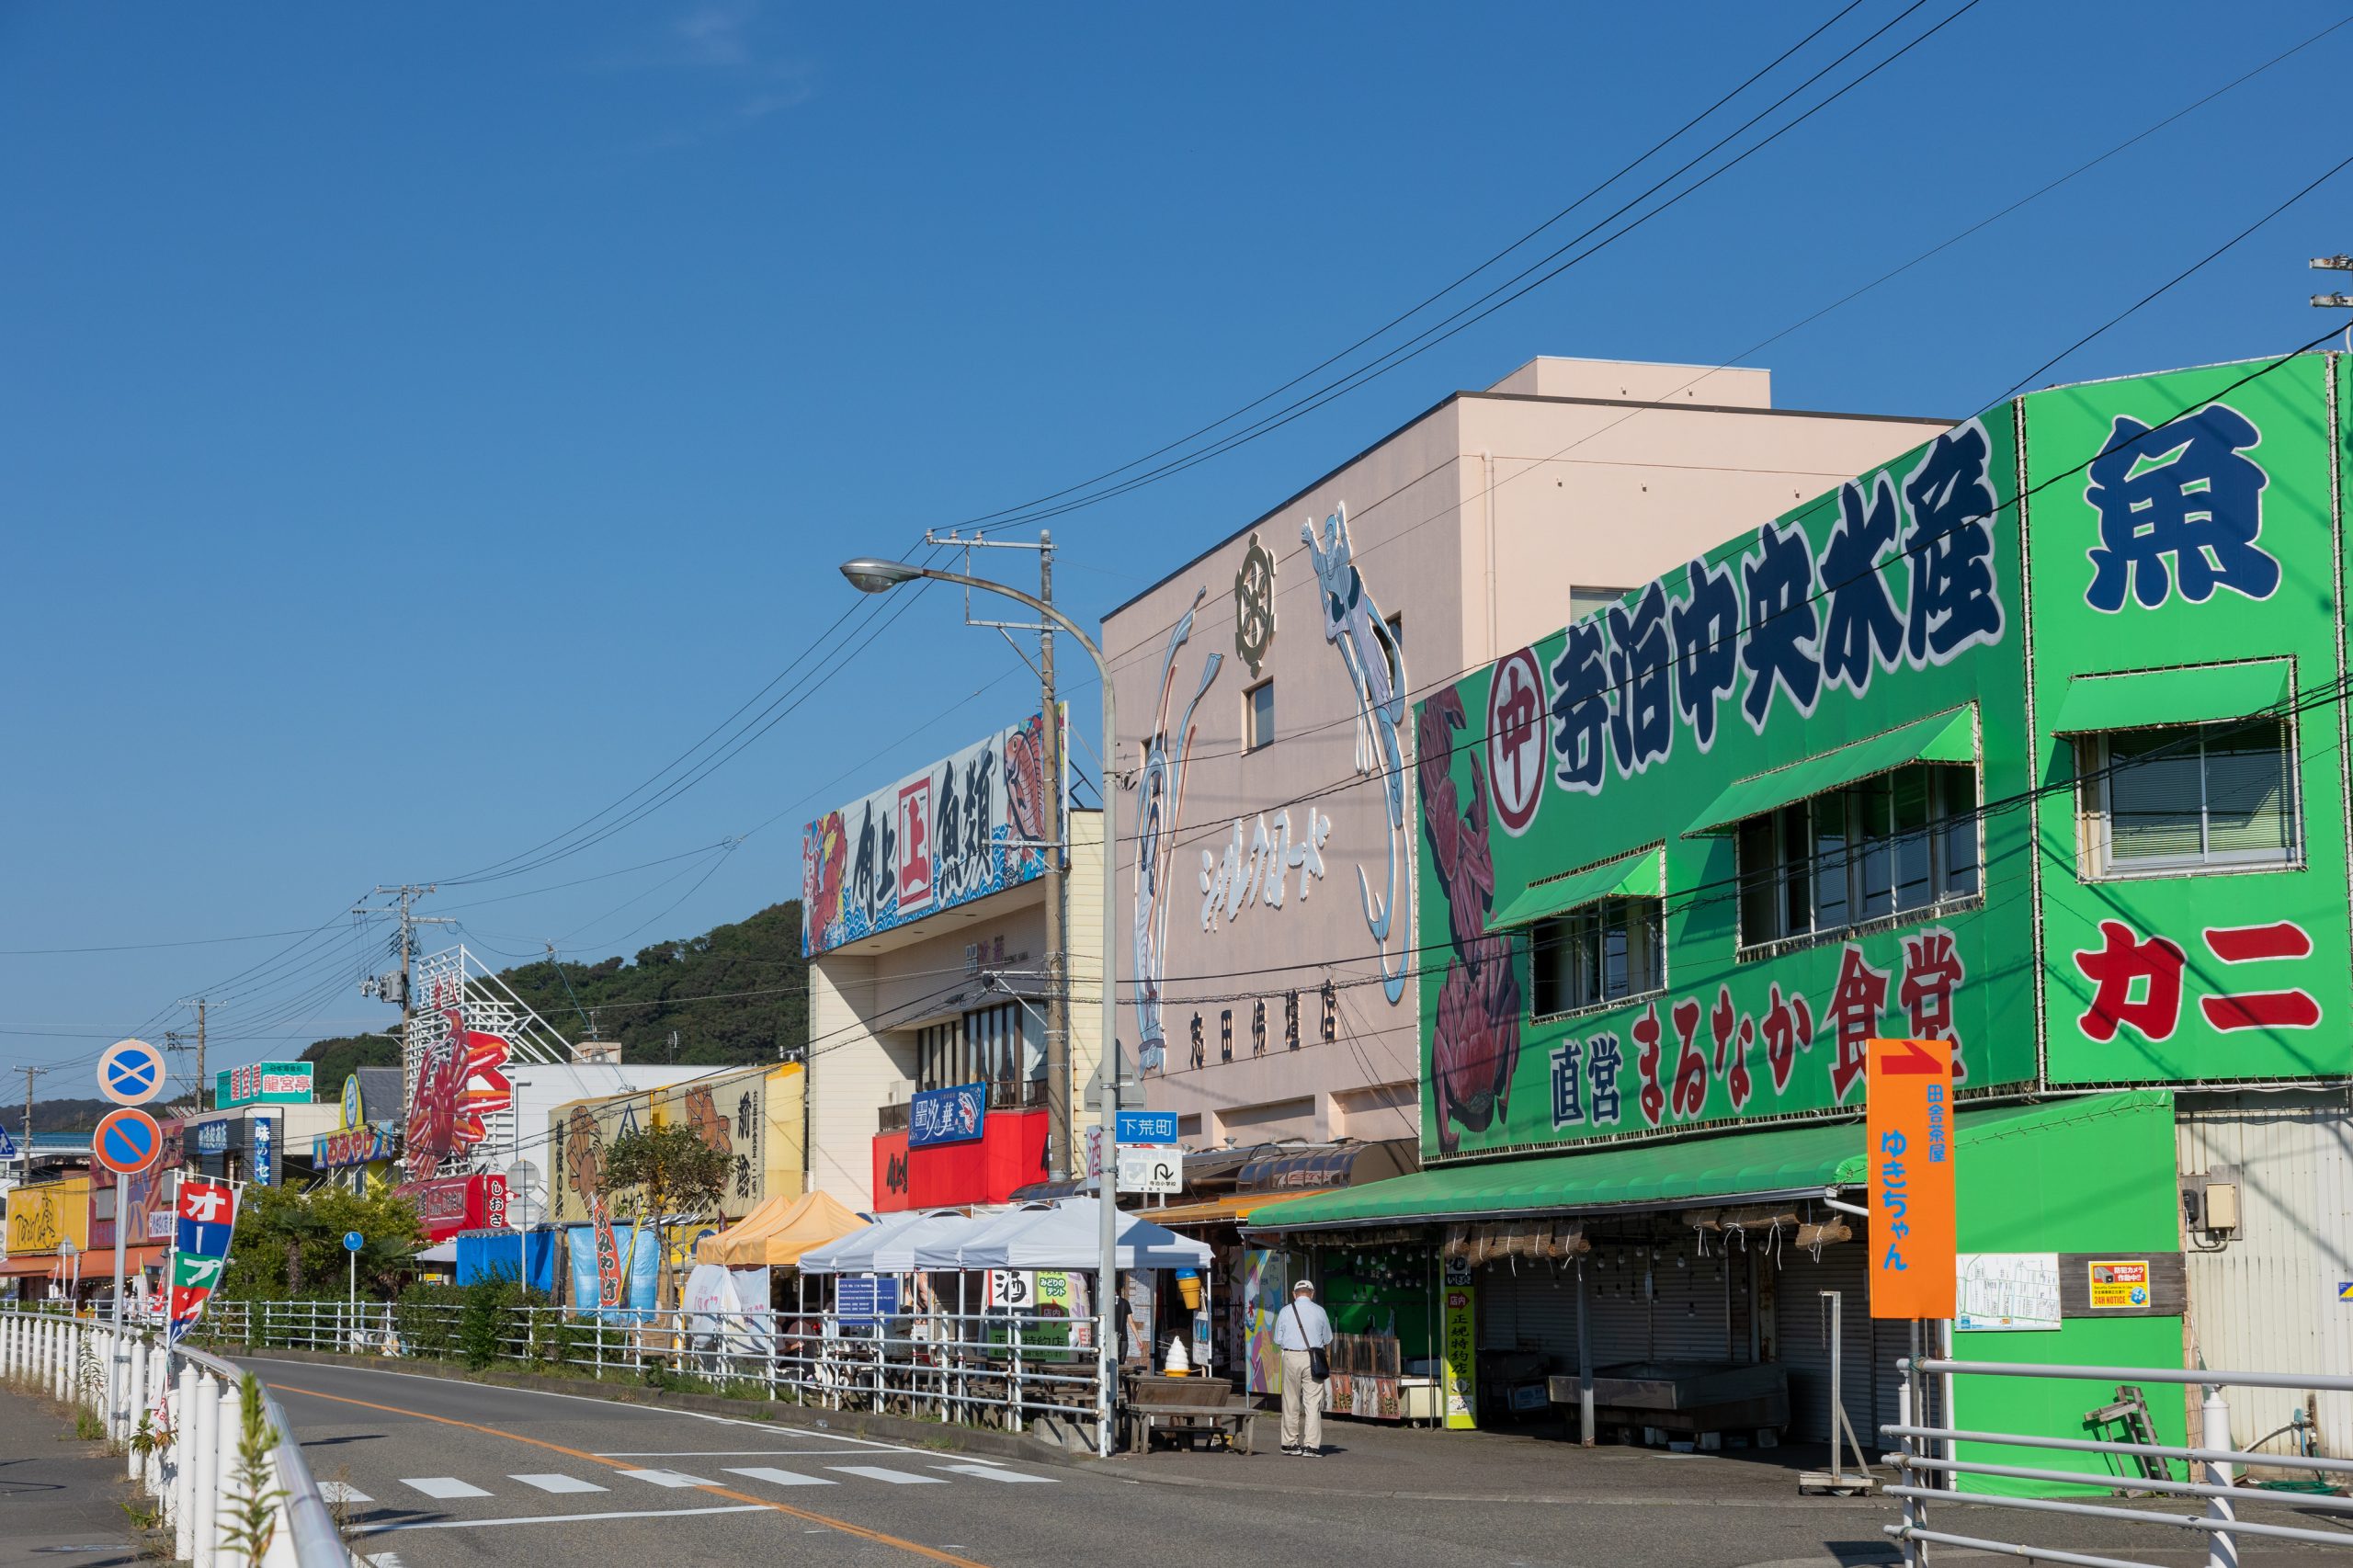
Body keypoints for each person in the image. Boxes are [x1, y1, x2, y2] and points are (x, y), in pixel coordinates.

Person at [1271, 1277, 1334, 1456]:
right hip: (1312, 1357)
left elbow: (1277, 1340)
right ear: (1312, 1294)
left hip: (1290, 1356)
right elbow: (1328, 1339)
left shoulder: (1285, 1311)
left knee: (1290, 1400)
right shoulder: (1320, 1311)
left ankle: (1289, 1443)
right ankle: (1311, 1446)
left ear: (1294, 1294)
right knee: (1312, 1402)